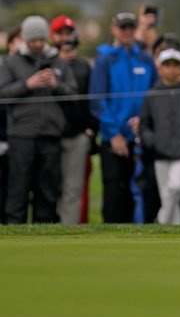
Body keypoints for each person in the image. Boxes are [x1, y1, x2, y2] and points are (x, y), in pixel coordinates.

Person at [0, 16, 77, 224]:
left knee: (48, 191)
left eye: (41, 39)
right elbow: (2, 94)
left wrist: (56, 85)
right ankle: (14, 231)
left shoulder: (58, 62)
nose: (37, 44)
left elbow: (73, 95)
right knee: (18, 189)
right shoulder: (11, 62)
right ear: (26, 39)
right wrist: (27, 84)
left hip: (50, 135)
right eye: (33, 40)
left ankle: (46, 233)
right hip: (21, 136)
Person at [90, 11, 157, 223]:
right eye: (123, 27)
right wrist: (113, 133)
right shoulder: (105, 60)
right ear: (114, 29)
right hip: (115, 140)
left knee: (138, 193)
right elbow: (97, 100)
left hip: (140, 137)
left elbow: (155, 95)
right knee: (114, 193)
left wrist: (144, 121)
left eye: (131, 27)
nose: (127, 31)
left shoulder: (145, 59)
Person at [138, 49, 180, 225]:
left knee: (177, 187)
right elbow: (144, 124)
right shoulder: (152, 94)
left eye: (175, 65)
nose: (171, 69)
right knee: (169, 197)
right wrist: (152, 142)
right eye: (167, 65)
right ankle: (174, 231)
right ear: (160, 68)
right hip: (160, 153)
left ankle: (160, 222)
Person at [49, 15, 96, 224]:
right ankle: (48, 229)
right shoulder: (45, 63)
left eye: (69, 33)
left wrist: (90, 128)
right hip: (50, 134)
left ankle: (67, 230)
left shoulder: (84, 67)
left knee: (73, 188)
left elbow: (90, 101)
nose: (65, 38)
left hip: (77, 134)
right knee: (50, 186)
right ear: (52, 37)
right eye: (60, 33)